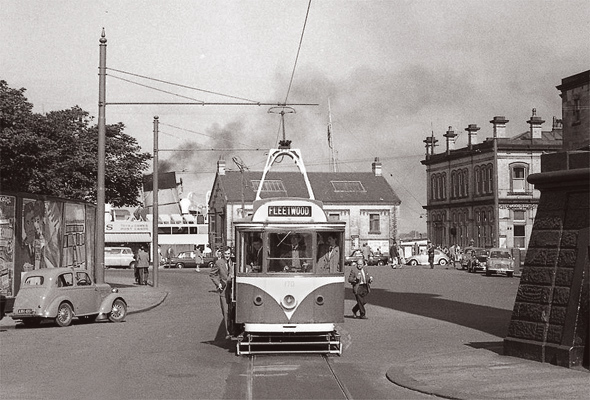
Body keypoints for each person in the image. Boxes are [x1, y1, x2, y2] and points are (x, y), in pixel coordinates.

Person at [209, 246, 234, 339]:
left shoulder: (233, 262)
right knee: (226, 311)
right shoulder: (219, 263)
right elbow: (212, 274)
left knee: (233, 311)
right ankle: (228, 332)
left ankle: (233, 329)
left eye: (229, 254)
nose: (227, 256)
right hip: (223, 290)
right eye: (226, 254)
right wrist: (218, 284)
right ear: (223, 254)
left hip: (233, 290)